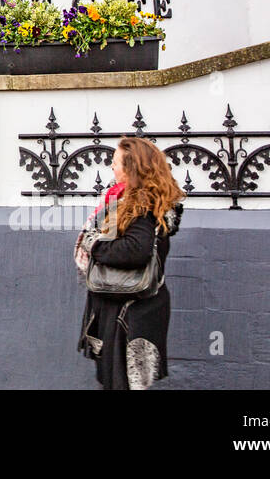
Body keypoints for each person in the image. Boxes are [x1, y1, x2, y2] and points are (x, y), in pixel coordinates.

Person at [75, 136, 184, 390]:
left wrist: (94, 245)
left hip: (129, 309)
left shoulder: (142, 204)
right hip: (122, 303)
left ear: (132, 168)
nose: (112, 168)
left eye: (116, 163)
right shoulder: (125, 200)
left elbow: (135, 250)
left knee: (121, 383)